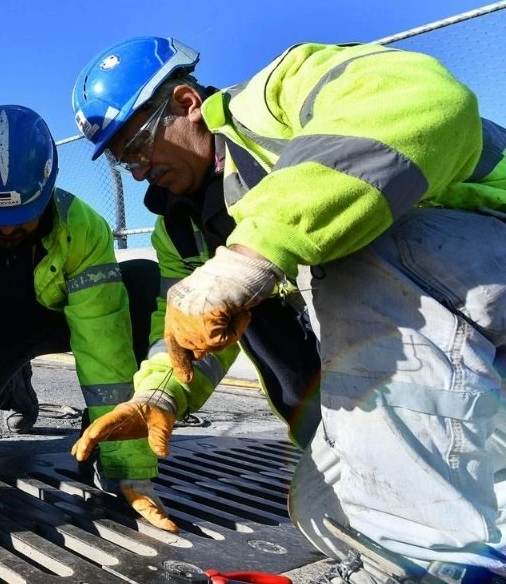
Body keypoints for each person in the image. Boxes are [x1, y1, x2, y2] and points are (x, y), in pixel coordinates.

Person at [68, 36, 506, 581]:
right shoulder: (182, 229)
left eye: (136, 148)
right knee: (324, 506)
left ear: (185, 104)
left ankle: (439, 563)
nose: (135, 171)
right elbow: (186, 334)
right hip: (450, 370)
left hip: (484, 280)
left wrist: (249, 256)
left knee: (344, 251)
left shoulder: (274, 98)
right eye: (119, 159)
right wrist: (158, 394)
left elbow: (428, 100)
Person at [0, 105, 179, 532]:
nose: (6, 231)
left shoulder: (82, 226)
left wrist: (129, 466)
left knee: (141, 283)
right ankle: (13, 384)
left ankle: (101, 436)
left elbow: (103, 342)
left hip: (49, 322)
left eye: (21, 217)